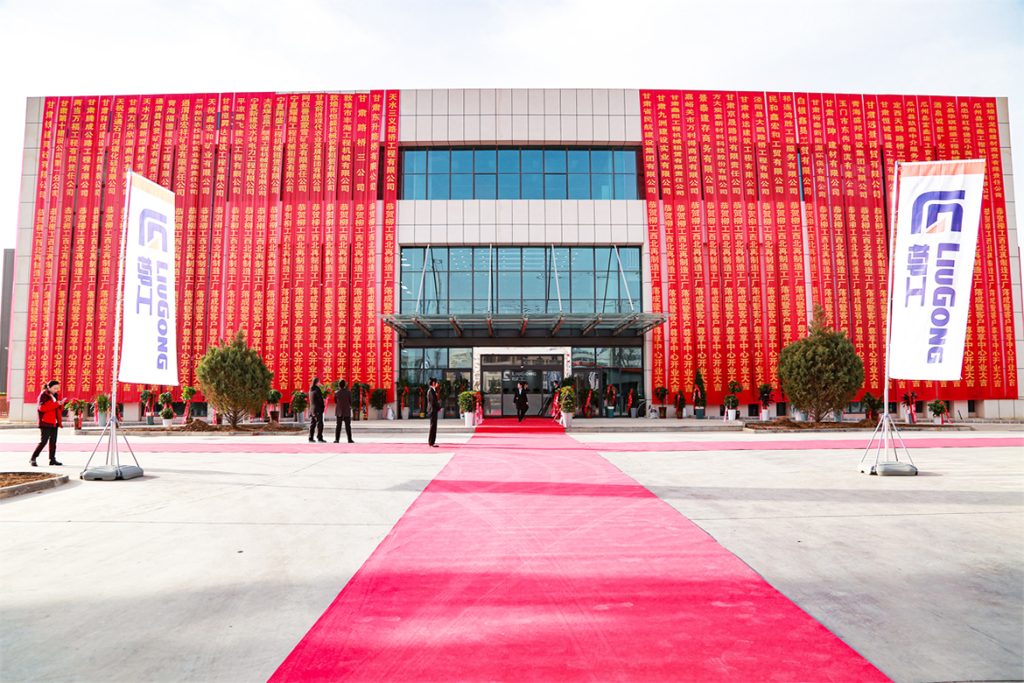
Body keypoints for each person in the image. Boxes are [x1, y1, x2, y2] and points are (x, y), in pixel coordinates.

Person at [31, 380, 68, 466]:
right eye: (55, 388)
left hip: (54, 422)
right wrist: (57, 404)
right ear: (49, 387)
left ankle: (52, 459)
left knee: (53, 442)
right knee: (43, 441)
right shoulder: (43, 395)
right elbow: (42, 408)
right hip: (45, 422)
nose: (56, 390)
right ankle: (33, 458)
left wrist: (61, 404)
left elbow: (57, 408)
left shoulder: (55, 395)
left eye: (57, 388)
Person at [308, 377, 326, 443]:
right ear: (317, 382)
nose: (320, 383)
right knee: (320, 424)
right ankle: (319, 438)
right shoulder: (317, 389)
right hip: (318, 409)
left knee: (312, 424)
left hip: (312, 409)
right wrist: (323, 406)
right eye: (319, 382)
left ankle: (310, 438)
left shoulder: (310, 389)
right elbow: (320, 399)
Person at [427, 377, 441, 447]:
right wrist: (439, 407)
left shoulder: (433, 390)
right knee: (433, 426)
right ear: (433, 383)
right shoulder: (431, 391)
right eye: (436, 382)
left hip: (433, 410)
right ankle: (431, 442)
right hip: (432, 410)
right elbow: (433, 402)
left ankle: (432, 442)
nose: (437, 384)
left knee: (434, 426)